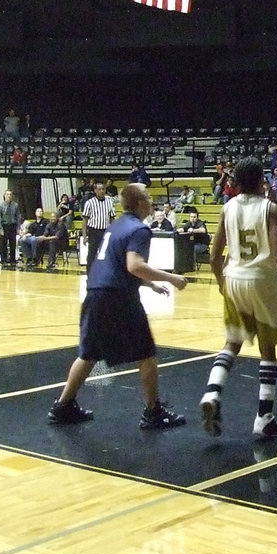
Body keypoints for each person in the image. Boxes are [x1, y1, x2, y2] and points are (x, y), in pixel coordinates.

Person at [48, 183, 188, 429]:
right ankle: (153, 411)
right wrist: (171, 278)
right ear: (140, 204)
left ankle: (63, 406)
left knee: (89, 353)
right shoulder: (139, 229)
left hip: (95, 294)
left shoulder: (116, 226)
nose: (151, 201)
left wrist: (150, 284)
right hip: (117, 298)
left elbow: (117, 265)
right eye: (148, 197)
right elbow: (134, 265)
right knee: (146, 352)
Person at [200, 157, 277, 439]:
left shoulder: (227, 208)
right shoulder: (270, 208)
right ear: (262, 180)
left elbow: (214, 256)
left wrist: (222, 283)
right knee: (267, 350)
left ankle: (212, 393)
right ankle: (264, 417)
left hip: (234, 277)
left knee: (231, 343)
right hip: (262, 280)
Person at [82, 181, 115, 274]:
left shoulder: (109, 202)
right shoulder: (89, 203)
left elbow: (112, 218)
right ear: (95, 191)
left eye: (103, 189)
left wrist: (113, 232)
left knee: (106, 254)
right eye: (99, 189)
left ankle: (104, 274)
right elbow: (85, 221)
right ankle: (90, 275)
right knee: (92, 254)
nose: (102, 191)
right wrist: (84, 236)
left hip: (105, 231)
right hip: (93, 231)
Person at [0, 189, 22, 266]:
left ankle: (12, 260)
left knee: (13, 244)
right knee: (3, 244)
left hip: (13, 226)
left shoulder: (15, 205)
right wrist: (0, 229)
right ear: (4, 196)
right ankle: (3, 260)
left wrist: (18, 228)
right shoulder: (0, 206)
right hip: (5, 226)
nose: (9, 196)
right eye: (7, 194)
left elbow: (18, 217)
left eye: (10, 194)